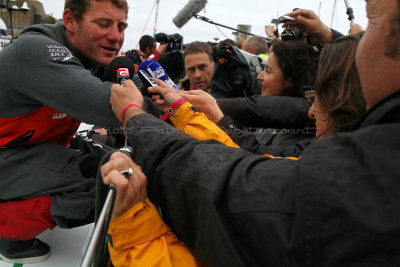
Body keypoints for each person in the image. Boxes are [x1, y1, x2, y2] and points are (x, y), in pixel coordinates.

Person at [103, 1, 400, 266]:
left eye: (372, 21)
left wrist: (135, 229)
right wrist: (185, 111)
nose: (310, 110)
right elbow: (250, 159)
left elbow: (228, 175)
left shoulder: (347, 184)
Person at [0, 0, 135, 264]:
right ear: (70, 20)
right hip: (10, 153)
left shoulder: (89, 57)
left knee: (127, 162)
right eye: (103, 23)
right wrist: (182, 110)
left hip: (29, 147)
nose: (115, 36)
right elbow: (109, 107)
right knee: (111, 181)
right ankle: (7, 231)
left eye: (121, 26)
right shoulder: (37, 49)